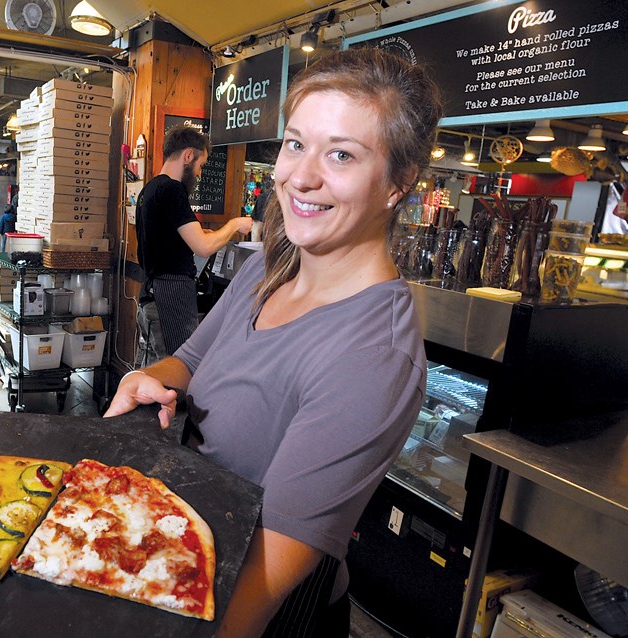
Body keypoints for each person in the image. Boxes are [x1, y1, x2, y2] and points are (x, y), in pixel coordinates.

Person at [106, 47, 442, 636]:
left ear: (399, 183)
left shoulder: (373, 358)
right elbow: (190, 360)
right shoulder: (271, 268)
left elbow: (256, 592)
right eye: (295, 143)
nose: (301, 176)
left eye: (342, 154)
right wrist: (146, 379)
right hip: (182, 553)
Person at [135, 124, 253, 357]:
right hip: (172, 295)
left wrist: (208, 234)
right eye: (201, 165)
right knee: (178, 370)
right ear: (188, 155)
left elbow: (179, 238)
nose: (199, 173)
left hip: (151, 293)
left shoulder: (150, 189)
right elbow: (203, 247)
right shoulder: (172, 190)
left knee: (153, 376)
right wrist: (234, 225)